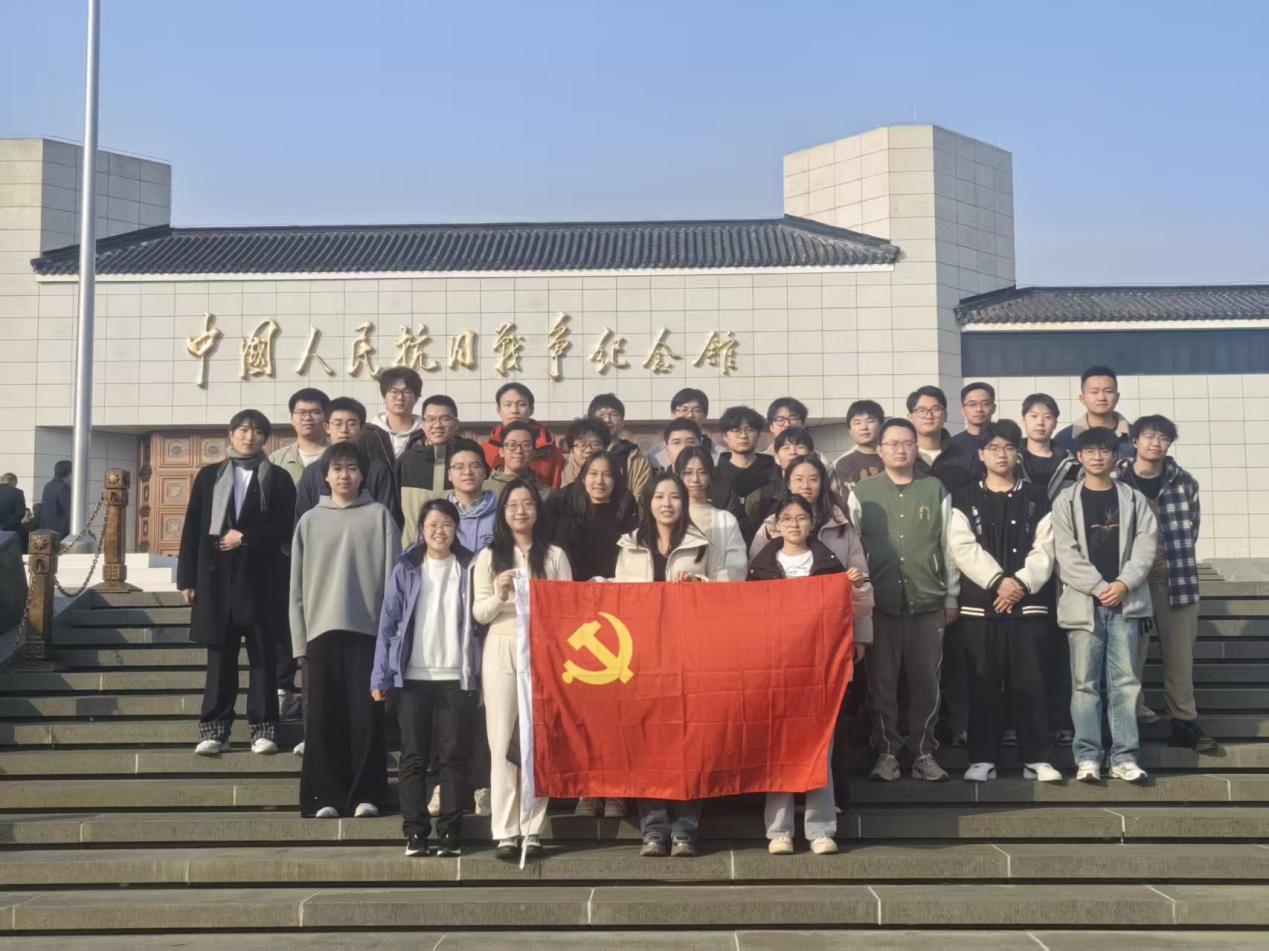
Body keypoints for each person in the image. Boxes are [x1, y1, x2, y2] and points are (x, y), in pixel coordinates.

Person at [747, 495, 870, 855]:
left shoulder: (829, 565)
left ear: (813, 523)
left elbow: (857, 610)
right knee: (778, 748)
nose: (794, 524)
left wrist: (856, 587)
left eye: (801, 518)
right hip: (774, 669)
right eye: (787, 518)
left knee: (820, 748)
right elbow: (746, 615)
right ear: (776, 524)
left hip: (820, 670)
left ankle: (820, 828)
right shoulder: (761, 567)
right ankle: (779, 830)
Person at [614, 472, 729, 857]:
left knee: (687, 741)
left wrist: (700, 586)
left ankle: (685, 829)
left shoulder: (702, 544)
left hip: (689, 655)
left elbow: (728, 592)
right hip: (643, 655)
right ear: (648, 502)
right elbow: (618, 599)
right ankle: (653, 829)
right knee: (649, 741)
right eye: (659, 497)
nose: (667, 504)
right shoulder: (630, 545)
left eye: (675, 497)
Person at [946, 421, 1062, 784]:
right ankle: (982, 757)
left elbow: (1046, 547)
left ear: (1018, 454)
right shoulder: (964, 497)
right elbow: (962, 548)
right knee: (983, 683)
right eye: (993, 448)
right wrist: (998, 582)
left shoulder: (1038, 496)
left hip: (1029, 605)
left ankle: (1036, 758)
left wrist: (1021, 584)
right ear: (981, 454)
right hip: (980, 607)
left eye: (1009, 448)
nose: (1001, 455)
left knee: (1032, 682)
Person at [289, 441, 399, 819]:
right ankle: (325, 796)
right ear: (325, 475)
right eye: (337, 469)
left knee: (366, 718)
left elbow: (393, 583)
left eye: (352, 468)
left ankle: (367, 795)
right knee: (323, 718)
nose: (344, 476)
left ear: (363, 474)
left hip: (368, 634)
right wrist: (299, 642)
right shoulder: (309, 521)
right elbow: (296, 588)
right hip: (320, 633)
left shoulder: (379, 516)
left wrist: (391, 638)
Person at [178, 410, 295, 756]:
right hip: (216, 581)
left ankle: (263, 729)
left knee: (264, 660)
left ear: (265, 439)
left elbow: (285, 525)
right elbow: (193, 526)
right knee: (220, 660)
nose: (249, 437)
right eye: (243, 430)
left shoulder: (278, 478)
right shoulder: (209, 476)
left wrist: (245, 537)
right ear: (231, 434)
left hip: (262, 582)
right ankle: (215, 730)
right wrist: (187, 578)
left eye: (257, 432)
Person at [849, 418, 959, 783]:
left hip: (928, 601)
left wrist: (951, 595)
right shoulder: (862, 492)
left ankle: (924, 751)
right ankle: (887, 753)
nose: (900, 449)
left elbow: (949, 546)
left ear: (916, 448)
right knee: (881, 683)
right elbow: (852, 548)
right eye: (892, 443)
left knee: (927, 682)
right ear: (879, 450)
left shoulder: (935, 489)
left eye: (907, 442)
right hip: (879, 604)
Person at [373, 498, 481, 858]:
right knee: (413, 756)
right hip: (413, 676)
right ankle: (415, 832)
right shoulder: (406, 566)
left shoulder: (470, 565)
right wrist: (380, 675)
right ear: (421, 529)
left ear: (456, 529)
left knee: (454, 756)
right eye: (433, 525)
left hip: (456, 674)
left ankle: (450, 831)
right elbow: (388, 623)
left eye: (447, 525)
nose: (440, 531)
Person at [472, 480, 573, 860]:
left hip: (542, 647)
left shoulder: (555, 555)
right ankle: (506, 830)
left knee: (536, 738)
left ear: (537, 509)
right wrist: (499, 593)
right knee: (501, 739)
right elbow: (479, 613)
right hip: (501, 644)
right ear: (503, 512)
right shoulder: (489, 557)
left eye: (527, 503)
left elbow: (568, 608)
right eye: (513, 505)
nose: (520, 511)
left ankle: (533, 827)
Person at [1052, 427, 1158, 784]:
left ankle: (1124, 757)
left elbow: (1146, 545)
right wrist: (1100, 587)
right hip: (1084, 604)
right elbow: (1065, 553)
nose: (1098, 457)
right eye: (1090, 451)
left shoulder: (1133, 499)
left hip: (1126, 603)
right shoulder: (1066, 500)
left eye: (1105, 451)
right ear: (1079, 457)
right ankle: (1087, 757)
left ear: (1115, 456)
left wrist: (1123, 583)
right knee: (1084, 684)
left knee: (1125, 683)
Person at [1117, 416, 1218, 754]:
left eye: (1163, 438)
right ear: (1134, 441)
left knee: (1179, 658)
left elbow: (1192, 528)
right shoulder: (1117, 480)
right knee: (1130, 657)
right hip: (1131, 584)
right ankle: (1130, 720)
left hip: (1178, 581)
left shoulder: (1184, 481)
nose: (1155, 443)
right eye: (1149, 436)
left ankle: (1184, 722)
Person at [553, 450, 640, 820]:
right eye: (593, 473)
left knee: (618, 711)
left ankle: (617, 788)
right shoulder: (564, 514)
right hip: (577, 622)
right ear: (581, 476)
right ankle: (587, 788)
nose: (599, 481)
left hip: (621, 619)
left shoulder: (629, 514)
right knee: (583, 712)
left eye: (607, 474)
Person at [1018, 392, 1079, 745]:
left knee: (1059, 647)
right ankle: (1021, 723)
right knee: (1023, 648)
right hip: (1018, 566)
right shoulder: (1010, 458)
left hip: (1063, 568)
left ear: (1056, 422)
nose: (1041, 422)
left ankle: (1060, 721)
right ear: (1024, 420)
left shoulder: (1072, 464)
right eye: (1034, 415)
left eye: (1047, 416)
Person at [295, 397, 398, 524]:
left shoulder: (378, 470)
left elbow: (388, 518)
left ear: (361, 428)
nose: (344, 430)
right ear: (327, 427)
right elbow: (302, 519)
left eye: (352, 424)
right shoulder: (312, 471)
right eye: (337, 424)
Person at [397, 394, 466, 543]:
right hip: (413, 548)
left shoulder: (466, 460)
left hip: (459, 548)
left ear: (456, 424)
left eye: (445, 419)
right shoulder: (407, 460)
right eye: (431, 419)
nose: (437, 425)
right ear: (422, 424)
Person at [674, 446, 747, 581]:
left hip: (716, 590)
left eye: (702, 472)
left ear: (710, 475)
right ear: (678, 475)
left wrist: (704, 583)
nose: (695, 479)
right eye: (688, 473)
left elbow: (737, 568)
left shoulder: (726, 520)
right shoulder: (669, 516)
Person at [564, 393, 652, 502]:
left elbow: (640, 498)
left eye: (614, 414)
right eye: (601, 414)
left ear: (622, 421)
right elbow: (568, 493)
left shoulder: (637, 458)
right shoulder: (576, 456)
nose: (607, 420)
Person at [713, 406, 782, 543]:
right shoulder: (713, 476)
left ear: (759, 434)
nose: (743, 435)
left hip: (768, 546)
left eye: (750, 429)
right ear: (725, 436)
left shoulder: (776, 473)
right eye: (736, 430)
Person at [481, 382, 565, 489]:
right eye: (508, 405)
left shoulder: (551, 452)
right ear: (498, 410)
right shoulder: (486, 451)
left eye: (521, 404)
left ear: (531, 409)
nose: (514, 411)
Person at [1053, 366, 1134, 459]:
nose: (1101, 398)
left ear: (1117, 397)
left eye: (1108, 391)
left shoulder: (1136, 436)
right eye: (1094, 392)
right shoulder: (1064, 439)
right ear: (1082, 398)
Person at [363, 367, 425, 469]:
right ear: (384, 397)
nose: (400, 397)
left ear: (417, 398)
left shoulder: (425, 434)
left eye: (407, 392)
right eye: (394, 391)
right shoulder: (369, 434)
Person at [270, 388, 331, 486]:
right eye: (301, 412)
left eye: (315, 412)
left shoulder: (338, 456)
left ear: (326, 418)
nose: (307, 418)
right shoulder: (276, 459)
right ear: (292, 419)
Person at [647, 388, 721, 468]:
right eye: (684, 409)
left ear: (705, 415)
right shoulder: (653, 456)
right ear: (673, 414)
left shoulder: (719, 455)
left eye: (696, 410)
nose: (690, 415)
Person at [484, 421, 551, 502]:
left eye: (525, 445)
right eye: (512, 445)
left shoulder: (545, 494)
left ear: (533, 453)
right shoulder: (484, 490)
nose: (519, 451)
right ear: (501, 451)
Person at [833, 400, 886, 488]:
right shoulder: (845, 464)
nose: (864, 427)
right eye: (857, 423)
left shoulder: (894, 456)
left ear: (881, 425)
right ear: (850, 430)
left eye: (870, 421)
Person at [948, 382, 996, 458]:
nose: (979, 409)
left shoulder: (1004, 442)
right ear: (963, 410)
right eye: (972, 404)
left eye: (985, 404)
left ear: (993, 408)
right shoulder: (952, 445)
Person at [36, 461, 71, 540]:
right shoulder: (64, 487)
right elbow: (70, 509)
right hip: (61, 531)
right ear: (69, 473)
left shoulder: (48, 486)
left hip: (47, 529)